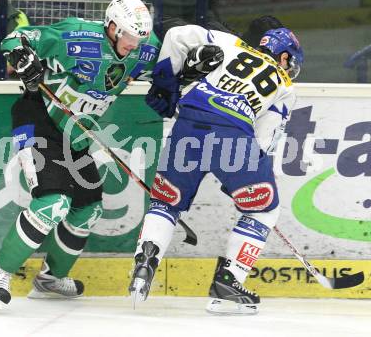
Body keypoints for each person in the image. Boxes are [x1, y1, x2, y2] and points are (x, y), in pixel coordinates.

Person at [0, 0, 161, 310]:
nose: (134, 44)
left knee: (88, 209)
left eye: (139, 38)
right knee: (53, 203)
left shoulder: (145, 47)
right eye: (129, 36)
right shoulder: (75, 36)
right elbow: (14, 39)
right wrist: (22, 57)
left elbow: (171, 55)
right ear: (112, 27)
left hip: (76, 135)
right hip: (37, 120)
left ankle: (50, 278)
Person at [129, 24, 303, 315]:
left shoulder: (230, 42)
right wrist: (240, 177)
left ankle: (144, 266)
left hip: (188, 124)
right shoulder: (285, 86)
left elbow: (175, 35)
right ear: (284, 57)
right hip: (233, 136)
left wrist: (165, 82)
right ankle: (229, 283)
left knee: (166, 202)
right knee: (264, 209)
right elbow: (264, 140)